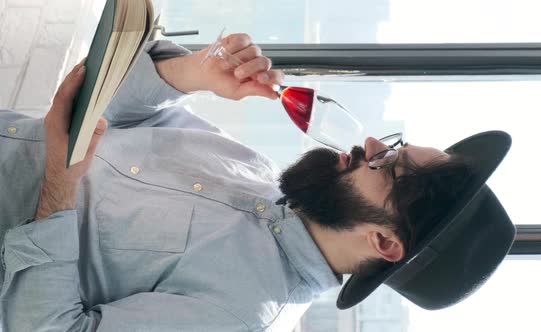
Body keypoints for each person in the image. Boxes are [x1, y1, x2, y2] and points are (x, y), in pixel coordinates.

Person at [0, 35, 514, 331]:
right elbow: (113, 112)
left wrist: (59, 192)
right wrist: (195, 73)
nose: (373, 146)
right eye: (396, 146)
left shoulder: (241, 316)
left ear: (384, 241)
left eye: (392, 169)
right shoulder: (250, 168)